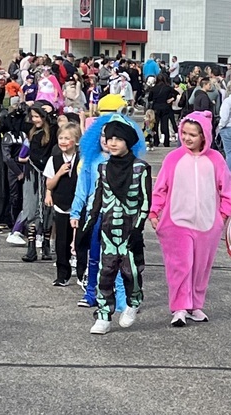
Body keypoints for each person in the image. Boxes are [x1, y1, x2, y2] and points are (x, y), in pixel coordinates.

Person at [150, 111, 231, 326]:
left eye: (193, 134)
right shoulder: (173, 158)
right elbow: (160, 188)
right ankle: (179, 307)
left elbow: (226, 189)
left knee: (201, 266)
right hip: (176, 222)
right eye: (185, 133)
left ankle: (195, 305)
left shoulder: (216, 159)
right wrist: (155, 211)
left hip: (207, 224)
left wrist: (223, 215)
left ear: (204, 136)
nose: (187, 138)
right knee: (180, 265)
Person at [85, 120, 151, 335]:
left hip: (130, 232)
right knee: (105, 273)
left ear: (128, 142)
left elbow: (145, 202)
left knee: (131, 273)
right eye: (109, 138)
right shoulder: (103, 168)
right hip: (107, 232)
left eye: (118, 139)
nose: (112, 143)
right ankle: (103, 315)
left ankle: (133, 303)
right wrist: (87, 227)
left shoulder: (141, 168)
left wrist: (138, 228)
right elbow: (97, 199)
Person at [19, 102, 59, 262]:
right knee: (32, 207)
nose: (35, 119)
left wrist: (52, 112)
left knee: (48, 209)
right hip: (32, 175)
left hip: (48, 175)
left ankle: (46, 245)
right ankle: (31, 246)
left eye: (38, 116)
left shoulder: (53, 133)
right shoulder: (33, 133)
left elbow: (57, 125)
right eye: (33, 116)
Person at [44, 123, 82, 286]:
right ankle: (62, 273)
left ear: (76, 141)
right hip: (61, 203)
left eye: (68, 138)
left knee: (80, 241)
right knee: (62, 241)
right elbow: (49, 184)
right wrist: (59, 173)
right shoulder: (54, 159)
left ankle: (82, 273)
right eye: (61, 138)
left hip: (78, 204)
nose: (63, 141)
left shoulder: (83, 159)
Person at [148, 73, 177, 147]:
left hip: (156, 108)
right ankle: (166, 142)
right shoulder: (168, 88)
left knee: (155, 126)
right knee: (165, 125)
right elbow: (176, 93)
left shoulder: (153, 89)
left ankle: (156, 141)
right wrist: (172, 98)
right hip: (165, 107)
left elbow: (149, 98)